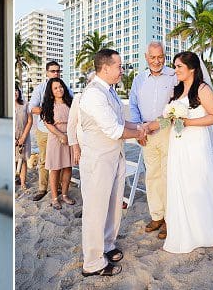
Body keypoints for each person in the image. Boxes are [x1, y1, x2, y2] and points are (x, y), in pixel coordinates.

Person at [145, 52, 213, 254]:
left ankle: (203, 228)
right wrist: (148, 126)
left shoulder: (202, 89)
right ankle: (185, 227)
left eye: (178, 67)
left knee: (196, 183)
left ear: (191, 69)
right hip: (177, 144)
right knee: (180, 184)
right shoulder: (176, 91)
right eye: (175, 66)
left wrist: (187, 122)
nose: (175, 70)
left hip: (195, 144)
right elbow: (169, 120)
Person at [77, 49, 148, 277]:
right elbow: (114, 130)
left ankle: (107, 245)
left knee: (113, 205)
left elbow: (120, 121)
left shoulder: (111, 91)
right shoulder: (93, 95)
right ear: (105, 68)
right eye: (119, 66)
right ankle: (93, 262)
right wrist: (139, 134)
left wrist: (139, 126)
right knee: (95, 211)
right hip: (98, 161)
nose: (122, 70)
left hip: (115, 157)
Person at [128, 41, 177, 239]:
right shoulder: (139, 79)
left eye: (160, 57)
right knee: (152, 175)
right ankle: (157, 215)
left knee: (168, 175)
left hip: (168, 130)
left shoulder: (173, 76)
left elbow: (178, 106)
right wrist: (140, 129)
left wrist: (159, 125)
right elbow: (133, 105)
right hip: (145, 132)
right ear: (146, 57)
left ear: (165, 56)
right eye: (153, 57)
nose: (157, 61)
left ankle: (170, 218)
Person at [29, 61, 72, 201]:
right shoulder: (40, 88)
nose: (56, 73)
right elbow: (32, 108)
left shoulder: (63, 87)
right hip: (45, 129)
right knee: (45, 160)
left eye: (58, 71)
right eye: (53, 71)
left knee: (64, 163)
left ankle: (61, 190)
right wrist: (49, 110)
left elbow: (72, 103)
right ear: (47, 72)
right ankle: (42, 188)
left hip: (66, 133)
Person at [41, 77, 74, 209]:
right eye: (55, 88)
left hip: (70, 137)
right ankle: (54, 197)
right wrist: (61, 135)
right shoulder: (48, 105)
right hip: (56, 139)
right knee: (55, 169)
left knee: (68, 167)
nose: (59, 89)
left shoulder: (70, 102)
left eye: (60, 87)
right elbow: (48, 124)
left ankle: (65, 194)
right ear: (51, 91)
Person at [14, 86, 32, 193]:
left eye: (16, 90)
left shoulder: (25, 105)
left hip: (23, 136)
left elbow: (30, 121)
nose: (15, 92)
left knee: (22, 160)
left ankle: (23, 183)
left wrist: (23, 137)